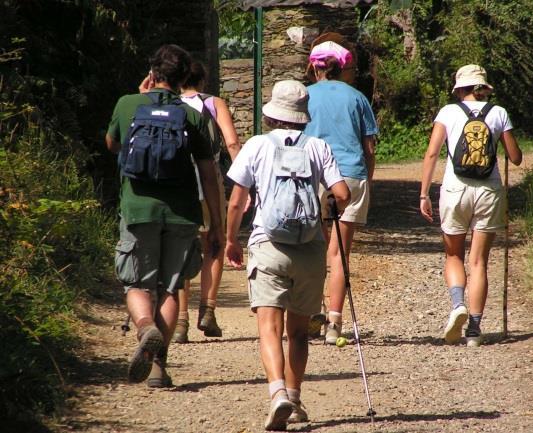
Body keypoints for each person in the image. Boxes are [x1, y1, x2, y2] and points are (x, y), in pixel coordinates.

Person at [225, 80, 350, 430]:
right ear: (303, 116)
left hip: (268, 245)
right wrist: (326, 213)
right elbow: (342, 193)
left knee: (269, 326)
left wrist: (231, 240)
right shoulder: (318, 147)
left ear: (272, 114)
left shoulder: (257, 145)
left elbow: (237, 201)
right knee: (297, 332)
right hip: (309, 249)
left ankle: (277, 392)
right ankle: (294, 401)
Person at [106, 44, 224, 387]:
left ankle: (146, 327)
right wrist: (216, 224)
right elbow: (208, 173)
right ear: (185, 77)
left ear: (153, 72)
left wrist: (139, 98)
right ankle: (158, 367)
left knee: (137, 283)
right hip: (182, 214)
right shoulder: (192, 115)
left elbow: (111, 144)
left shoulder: (127, 104)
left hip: (137, 209)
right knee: (170, 287)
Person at [419, 64, 522, 347]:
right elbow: (515, 158)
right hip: (489, 191)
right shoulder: (498, 112)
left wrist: (424, 194)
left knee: (453, 255)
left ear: (459, 89)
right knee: (479, 261)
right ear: (483, 87)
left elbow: (431, 154)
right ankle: (474, 330)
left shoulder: (448, 112)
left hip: (455, 189)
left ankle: (457, 305)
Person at [304, 41, 378, 344]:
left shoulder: (304, 95)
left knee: (312, 249)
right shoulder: (358, 98)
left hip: (313, 176)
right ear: (343, 67)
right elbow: (369, 148)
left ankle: (311, 312)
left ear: (314, 66)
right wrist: (367, 182)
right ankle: (334, 322)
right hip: (350, 177)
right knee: (339, 254)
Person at [173, 60, 242, 343]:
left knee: (180, 249)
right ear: (203, 81)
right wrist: (244, 181)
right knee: (213, 244)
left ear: (179, 82)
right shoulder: (214, 103)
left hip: (179, 183)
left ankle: (179, 322)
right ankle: (207, 311)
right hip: (209, 178)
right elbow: (232, 143)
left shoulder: (170, 105)